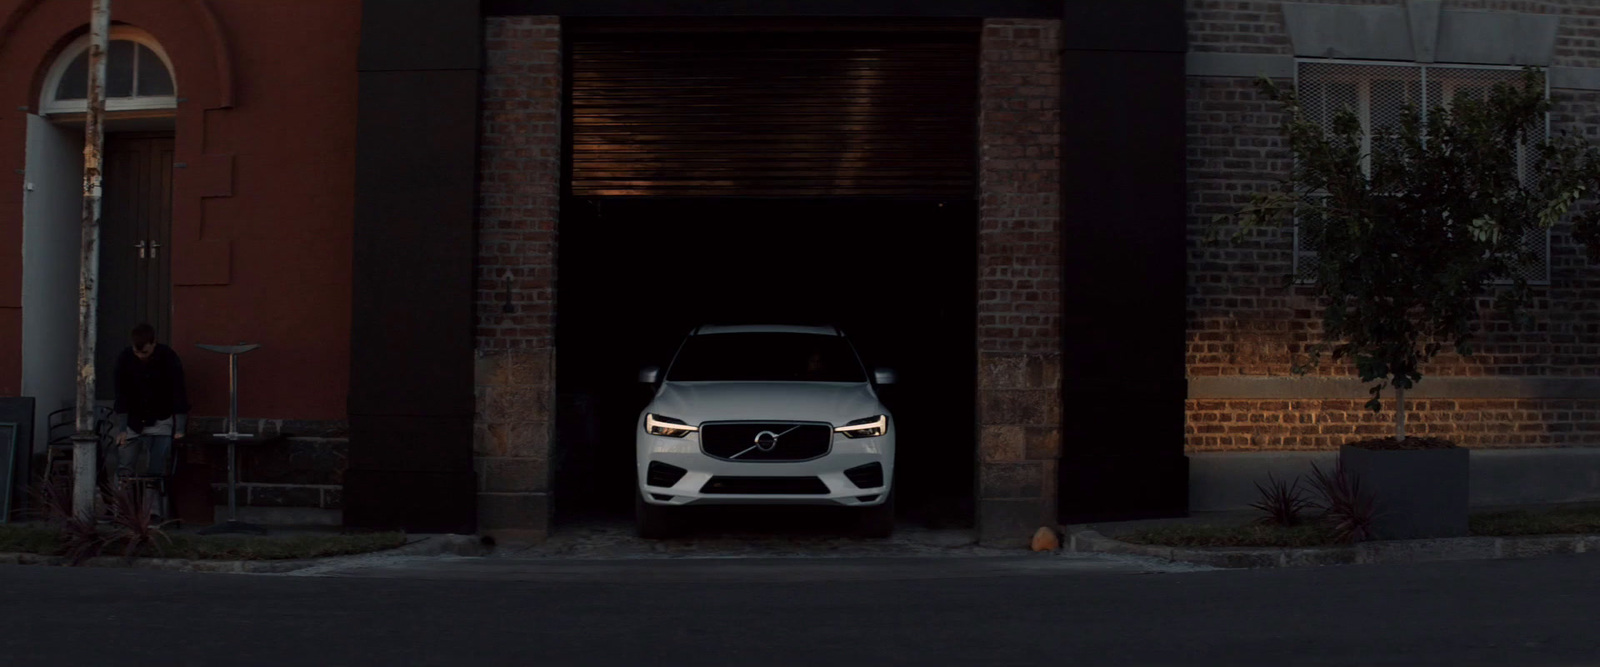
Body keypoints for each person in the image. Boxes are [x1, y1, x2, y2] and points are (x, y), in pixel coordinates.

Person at [111, 323, 190, 519]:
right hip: (133, 420)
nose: (141, 356)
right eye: (138, 353)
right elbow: (121, 394)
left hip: (161, 418)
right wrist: (121, 428)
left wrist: (179, 428)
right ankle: (121, 511)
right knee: (124, 468)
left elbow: (179, 393)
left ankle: (153, 512)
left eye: (145, 352)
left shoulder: (168, 358)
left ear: (154, 343)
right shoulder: (125, 358)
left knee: (156, 470)